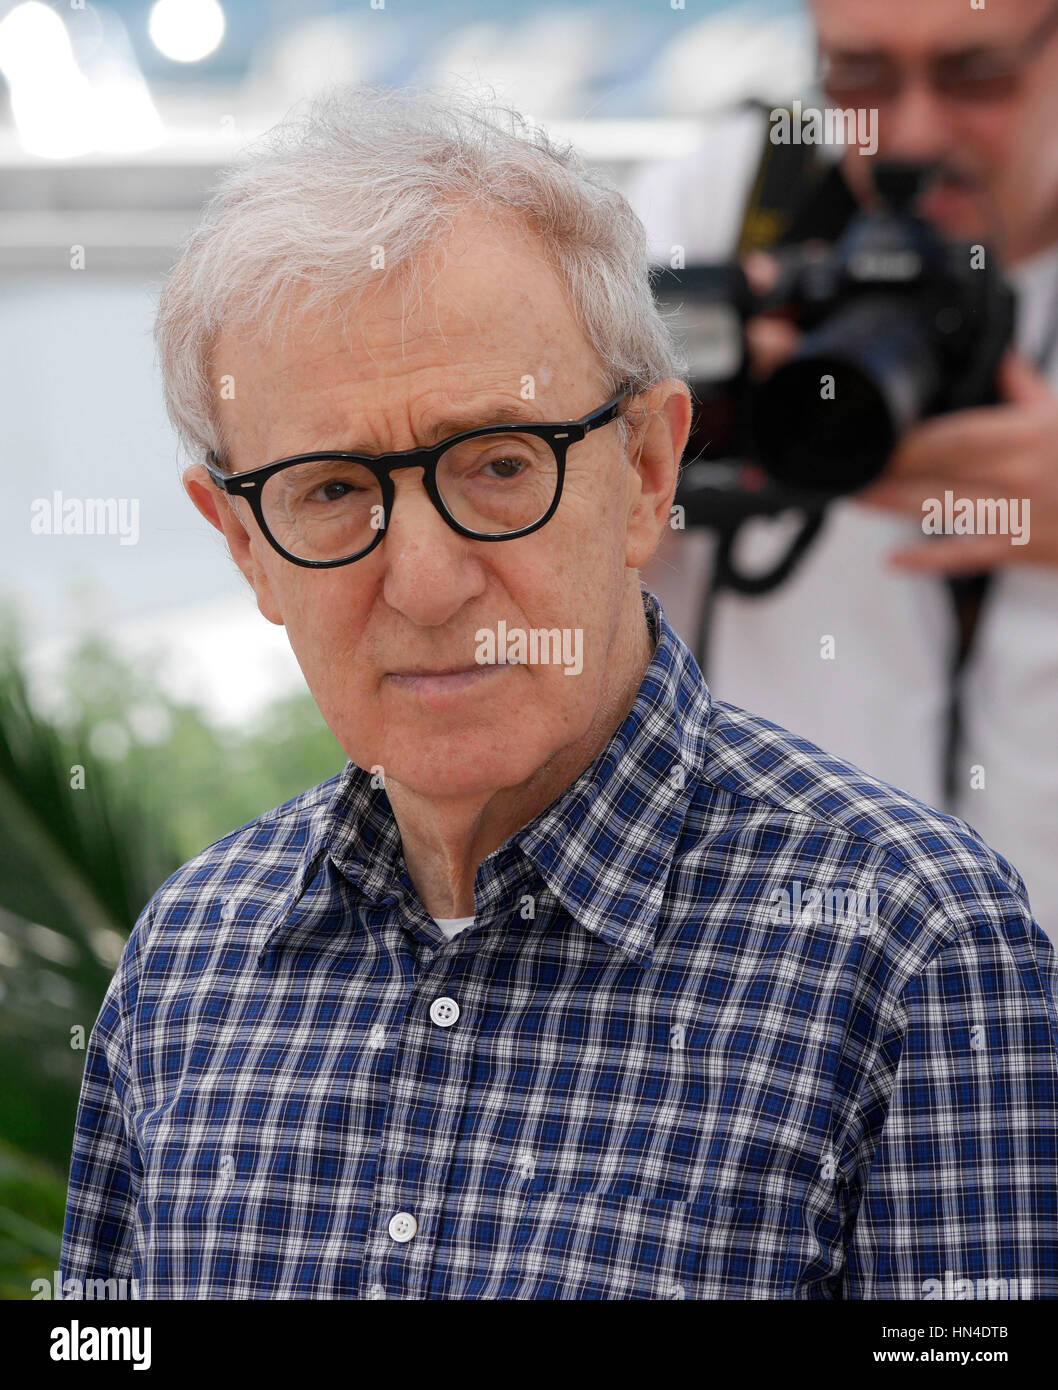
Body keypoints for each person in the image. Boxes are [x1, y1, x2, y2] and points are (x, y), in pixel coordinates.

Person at [59, 84, 1058, 1300]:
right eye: (329, 491)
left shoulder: (912, 952)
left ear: (645, 473)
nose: (422, 584)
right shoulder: (184, 966)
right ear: (241, 545)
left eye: (495, 465)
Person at [629, 0, 1058, 947]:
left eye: (975, 76)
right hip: (766, 985)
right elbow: (534, 509)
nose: (909, 135)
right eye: (858, 79)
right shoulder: (731, 199)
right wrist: (685, 435)